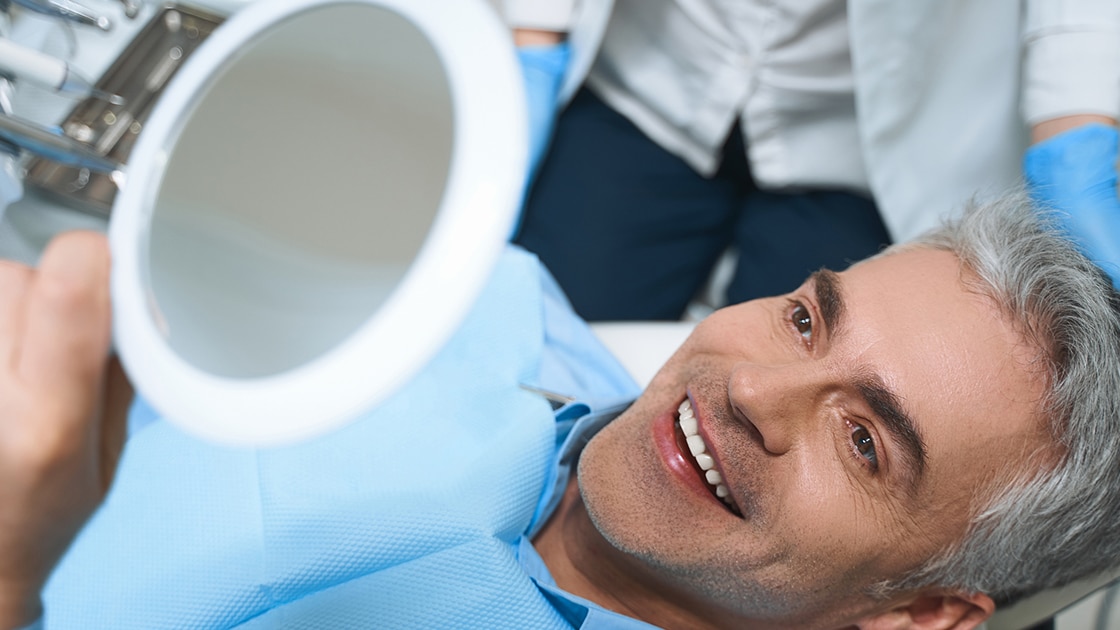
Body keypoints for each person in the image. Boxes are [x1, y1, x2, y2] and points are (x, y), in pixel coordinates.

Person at [3, 191, 1120, 629]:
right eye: (804, 319)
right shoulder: (465, 297)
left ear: (917, 611)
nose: (749, 391)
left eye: (864, 440)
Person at [506, 0, 1120, 321]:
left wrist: (1077, 117)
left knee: (792, 424)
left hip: (860, 139)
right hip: (653, 75)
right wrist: (530, 34)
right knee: (528, 339)